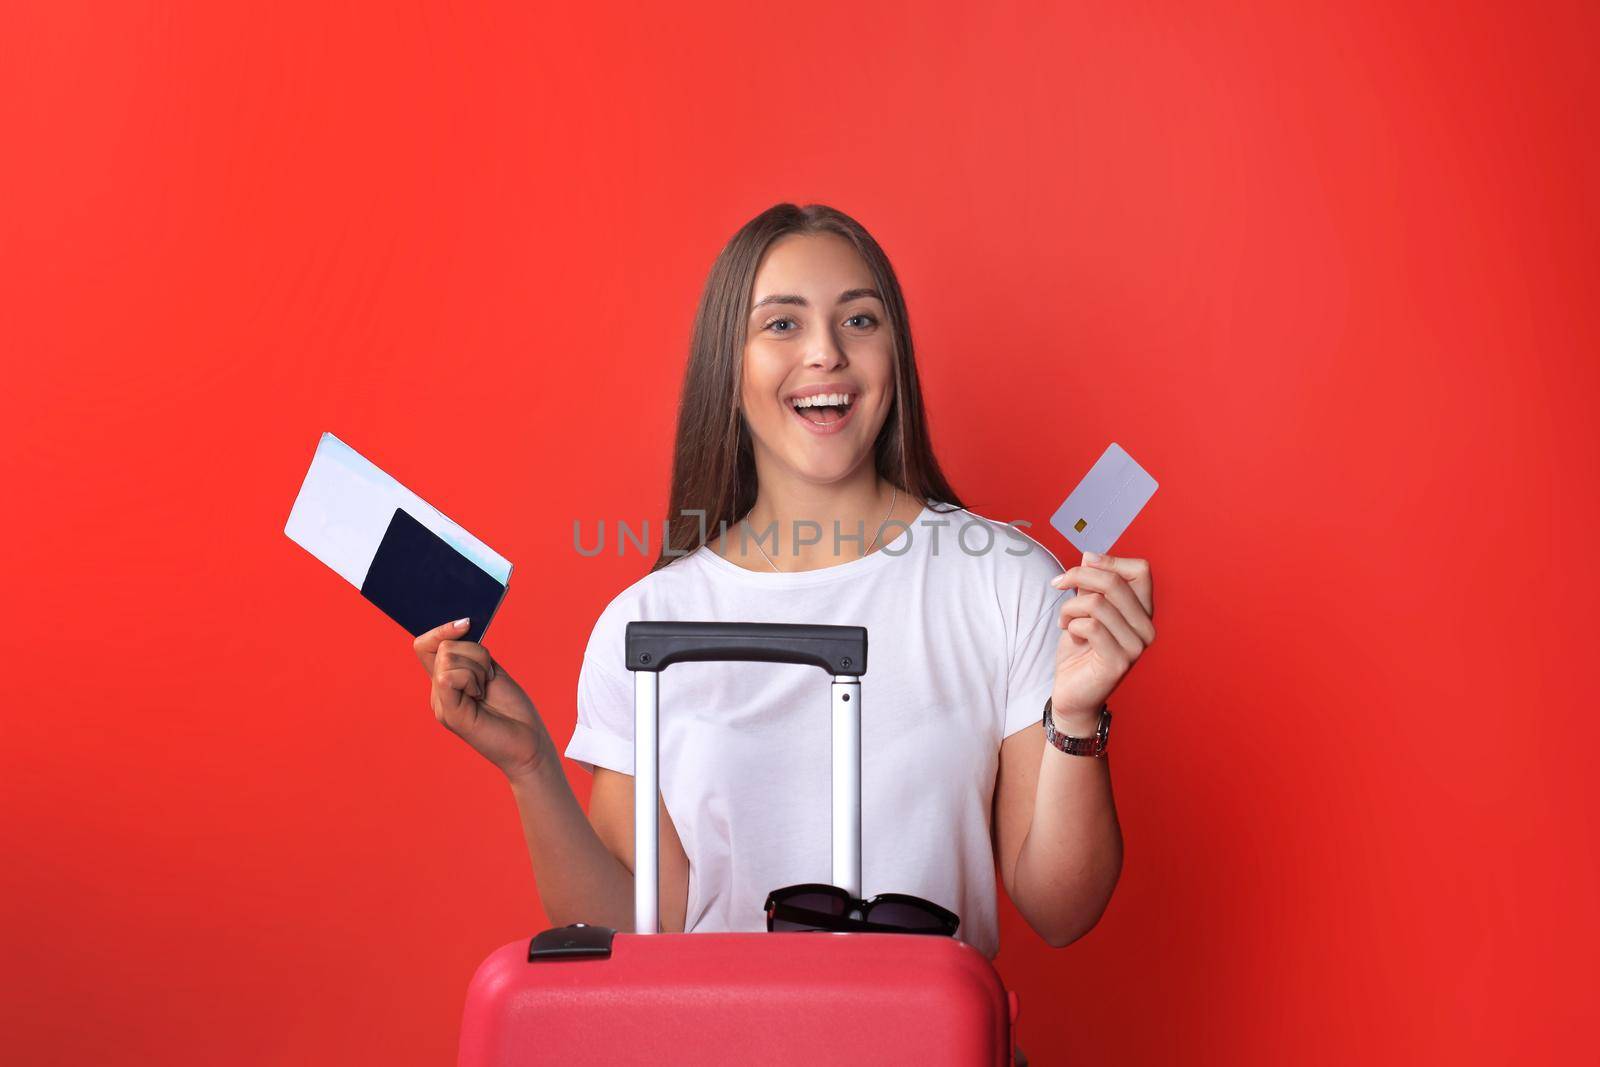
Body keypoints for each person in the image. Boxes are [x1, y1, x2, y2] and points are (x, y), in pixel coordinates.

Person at [413, 203, 1157, 1065]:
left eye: (859, 318)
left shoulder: (1003, 578)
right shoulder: (647, 623)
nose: (825, 352)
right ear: (728, 369)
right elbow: (633, 924)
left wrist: (1076, 712)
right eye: (782, 323)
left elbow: (1063, 909)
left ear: (894, 359)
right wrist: (531, 764)